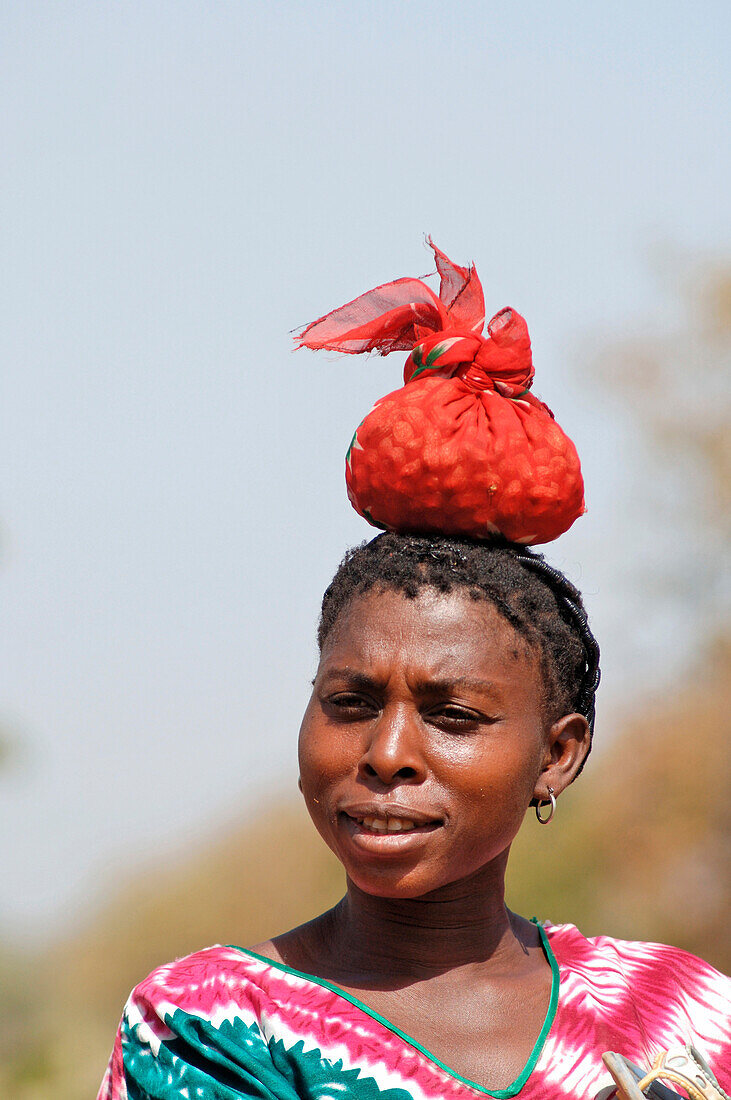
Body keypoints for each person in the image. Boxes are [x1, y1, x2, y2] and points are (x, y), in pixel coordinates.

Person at [98, 248, 730, 1100]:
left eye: (454, 716)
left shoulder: (675, 1013)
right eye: (350, 702)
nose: (386, 752)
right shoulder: (212, 1024)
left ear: (556, 756)